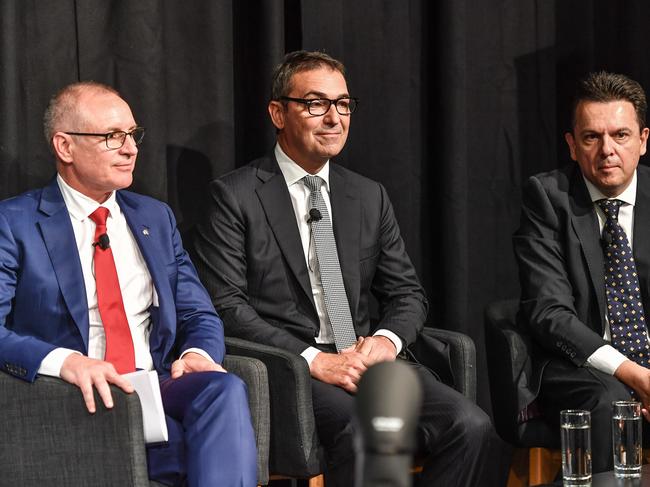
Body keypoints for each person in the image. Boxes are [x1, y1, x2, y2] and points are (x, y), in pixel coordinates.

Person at [193, 50, 493, 486]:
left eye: (343, 104)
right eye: (316, 104)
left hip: (366, 361)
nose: (334, 117)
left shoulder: (368, 196)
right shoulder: (235, 196)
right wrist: (316, 360)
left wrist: (386, 343)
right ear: (278, 112)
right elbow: (226, 306)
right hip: (293, 367)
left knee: (472, 426)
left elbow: (407, 294)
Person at [0, 81, 257, 487]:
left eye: (133, 134)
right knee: (200, 456)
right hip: (71, 395)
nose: (131, 148)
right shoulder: (14, 223)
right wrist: (64, 361)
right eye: (112, 137)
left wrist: (197, 353)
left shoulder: (155, 218)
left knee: (223, 390)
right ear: (65, 147)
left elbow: (197, 311)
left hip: (152, 386)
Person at [514, 71, 650, 472]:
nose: (607, 150)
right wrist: (636, 376)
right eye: (592, 137)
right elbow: (549, 312)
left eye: (621, 136)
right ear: (572, 146)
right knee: (611, 402)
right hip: (581, 364)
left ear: (643, 140)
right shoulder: (546, 198)